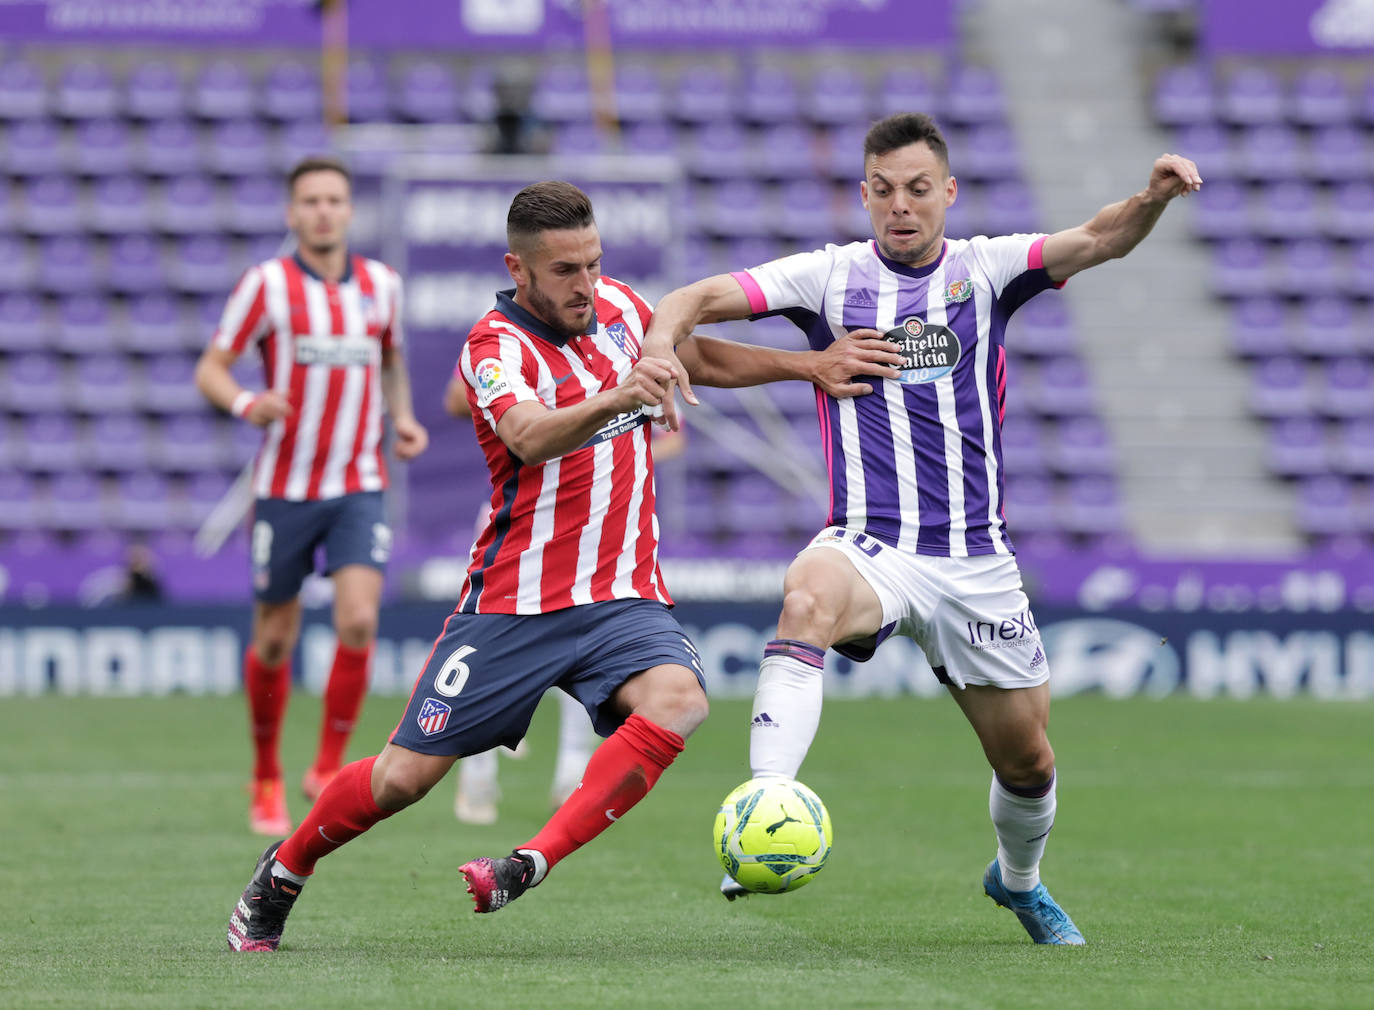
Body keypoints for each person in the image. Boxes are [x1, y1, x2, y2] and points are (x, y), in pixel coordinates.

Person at [225, 179, 902, 951]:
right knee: (402, 779)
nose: (585, 284)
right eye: (564, 271)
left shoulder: (616, 305)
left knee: (679, 700)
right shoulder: (492, 346)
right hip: (515, 603)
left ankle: (528, 862)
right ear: (519, 269)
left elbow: (699, 355)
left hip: (622, 596)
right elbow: (529, 434)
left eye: (592, 263)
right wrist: (622, 397)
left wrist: (809, 363)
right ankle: (282, 872)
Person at [642, 113, 1202, 945]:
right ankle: (766, 806)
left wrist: (1151, 199)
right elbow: (692, 303)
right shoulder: (826, 277)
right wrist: (660, 342)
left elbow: (1099, 239)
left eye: (916, 189)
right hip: (870, 545)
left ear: (947, 193)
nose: (900, 206)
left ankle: (1017, 882)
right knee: (805, 601)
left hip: (976, 560)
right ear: (863, 193)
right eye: (883, 190)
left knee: (1029, 762)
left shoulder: (988, 268)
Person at [195, 155, 430, 837]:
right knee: (275, 637)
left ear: (350, 210)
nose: (324, 211)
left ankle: (326, 765)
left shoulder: (382, 286)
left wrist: (403, 416)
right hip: (286, 488)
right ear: (292, 213)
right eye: (311, 201)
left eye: (335, 199)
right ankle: (265, 771)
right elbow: (211, 366)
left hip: (359, 481)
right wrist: (246, 401)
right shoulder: (266, 286)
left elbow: (389, 358)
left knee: (359, 620)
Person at [439, 376, 599, 824]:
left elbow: (670, 433)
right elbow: (456, 398)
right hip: (515, 514)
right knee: (488, 639)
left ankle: (573, 778)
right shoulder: (509, 342)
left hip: (588, 518)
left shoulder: (611, 344)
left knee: (585, 634)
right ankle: (478, 778)